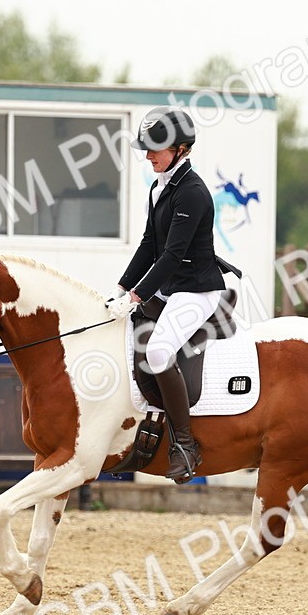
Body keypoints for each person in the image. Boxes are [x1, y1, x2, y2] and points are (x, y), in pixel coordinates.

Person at [109, 106, 236, 483]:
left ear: (180, 149)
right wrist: (120, 288)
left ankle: (185, 445)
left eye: (154, 150)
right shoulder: (159, 187)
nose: (148, 156)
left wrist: (136, 296)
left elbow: (172, 255)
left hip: (196, 290)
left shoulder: (193, 193)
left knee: (158, 351)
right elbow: (149, 244)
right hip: (169, 289)